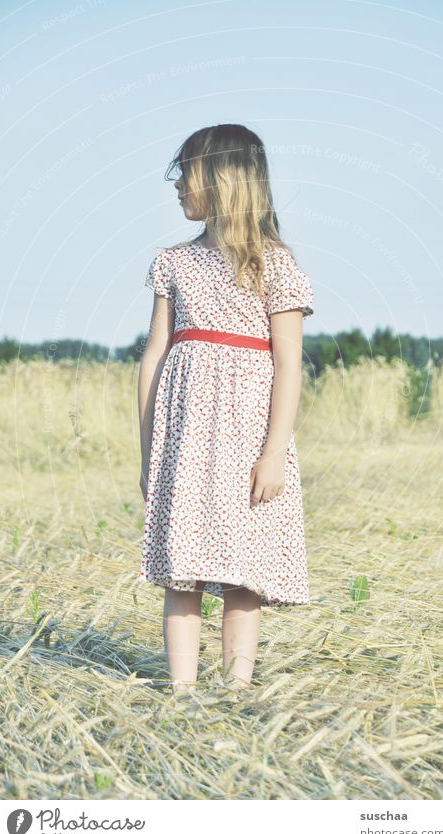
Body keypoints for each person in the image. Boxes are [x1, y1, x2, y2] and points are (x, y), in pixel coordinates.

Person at [137, 123, 315, 696]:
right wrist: (148, 452)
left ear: (220, 179)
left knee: (245, 574)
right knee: (182, 567)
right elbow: (155, 356)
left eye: (183, 172)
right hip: (185, 444)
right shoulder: (172, 263)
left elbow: (289, 366)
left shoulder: (275, 265)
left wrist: (273, 454)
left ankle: (235, 690)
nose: (176, 186)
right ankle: (182, 693)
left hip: (249, 442)